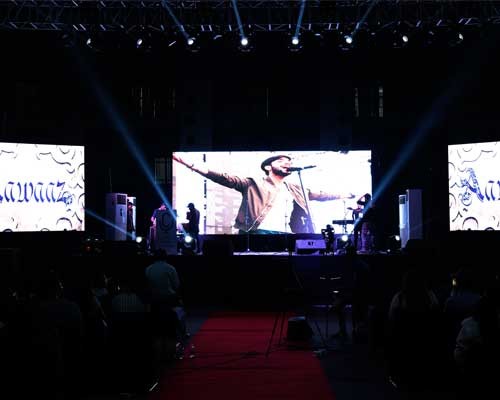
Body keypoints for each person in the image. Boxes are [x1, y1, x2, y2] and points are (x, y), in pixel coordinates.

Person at [173, 153, 355, 234]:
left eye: (289, 162)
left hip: (285, 234)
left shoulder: (296, 188)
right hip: (257, 233)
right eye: (282, 161)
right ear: (268, 167)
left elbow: (321, 195)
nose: (287, 163)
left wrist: (346, 194)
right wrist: (191, 165)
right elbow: (224, 178)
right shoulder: (252, 183)